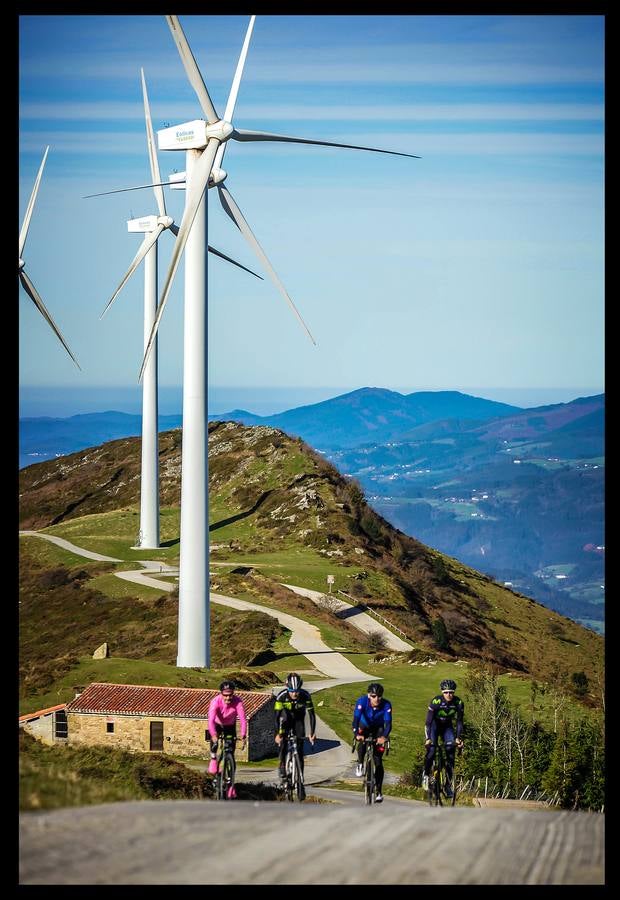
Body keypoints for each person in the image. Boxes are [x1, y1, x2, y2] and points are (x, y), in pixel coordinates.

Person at [274, 673, 316, 799]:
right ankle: (282, 765)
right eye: (292, 691)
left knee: (300, 751)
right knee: (283, 743)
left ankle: (300, 783)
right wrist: (278, 734)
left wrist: (312, 733)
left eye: (296, 691)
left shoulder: (305, 696)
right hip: (284, 722)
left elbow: (312, 715)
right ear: (287, 688)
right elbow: (276, 717)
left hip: (299, 722)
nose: (294, 694)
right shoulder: (281, 697)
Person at [423, 678, 464, 798]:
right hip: (434, 726)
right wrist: (427, 739)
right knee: (431, 751)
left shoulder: (458, 703)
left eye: (451, 692)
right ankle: (426, 776)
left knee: (451, 754)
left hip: (447, 727)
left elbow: (459, 722)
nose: (449, 695)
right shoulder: (435, 702)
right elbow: (428, 722)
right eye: (446, 692)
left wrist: (458, 738)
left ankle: (447, 785)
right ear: (442, 692)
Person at [352, 682, 392, 803]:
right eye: (374, 696)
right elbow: (356, 719)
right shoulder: (362, 701)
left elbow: (388, 724)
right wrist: (356, 734)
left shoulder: (386, 704)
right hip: (364, 726)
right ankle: (360, 763)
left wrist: (384, 737)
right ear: (369, 695)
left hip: (378, 729)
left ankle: (379, 791)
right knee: (362, 742)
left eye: (379, 696)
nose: (377, 699)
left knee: (378, 761)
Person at [207, 680, 248, 799]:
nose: (228, 698)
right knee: (214, 744)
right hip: (217, 725)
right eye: (225, 695)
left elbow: (243, 719)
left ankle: (231, 785)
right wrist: (214, 734)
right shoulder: (215, 702)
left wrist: (243, 734)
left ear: (233, 693)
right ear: (221, 694)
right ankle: (214, 759)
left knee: (230, 753)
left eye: (230, 694)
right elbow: (210, 720)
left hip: (230, 726)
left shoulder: (238, 702)